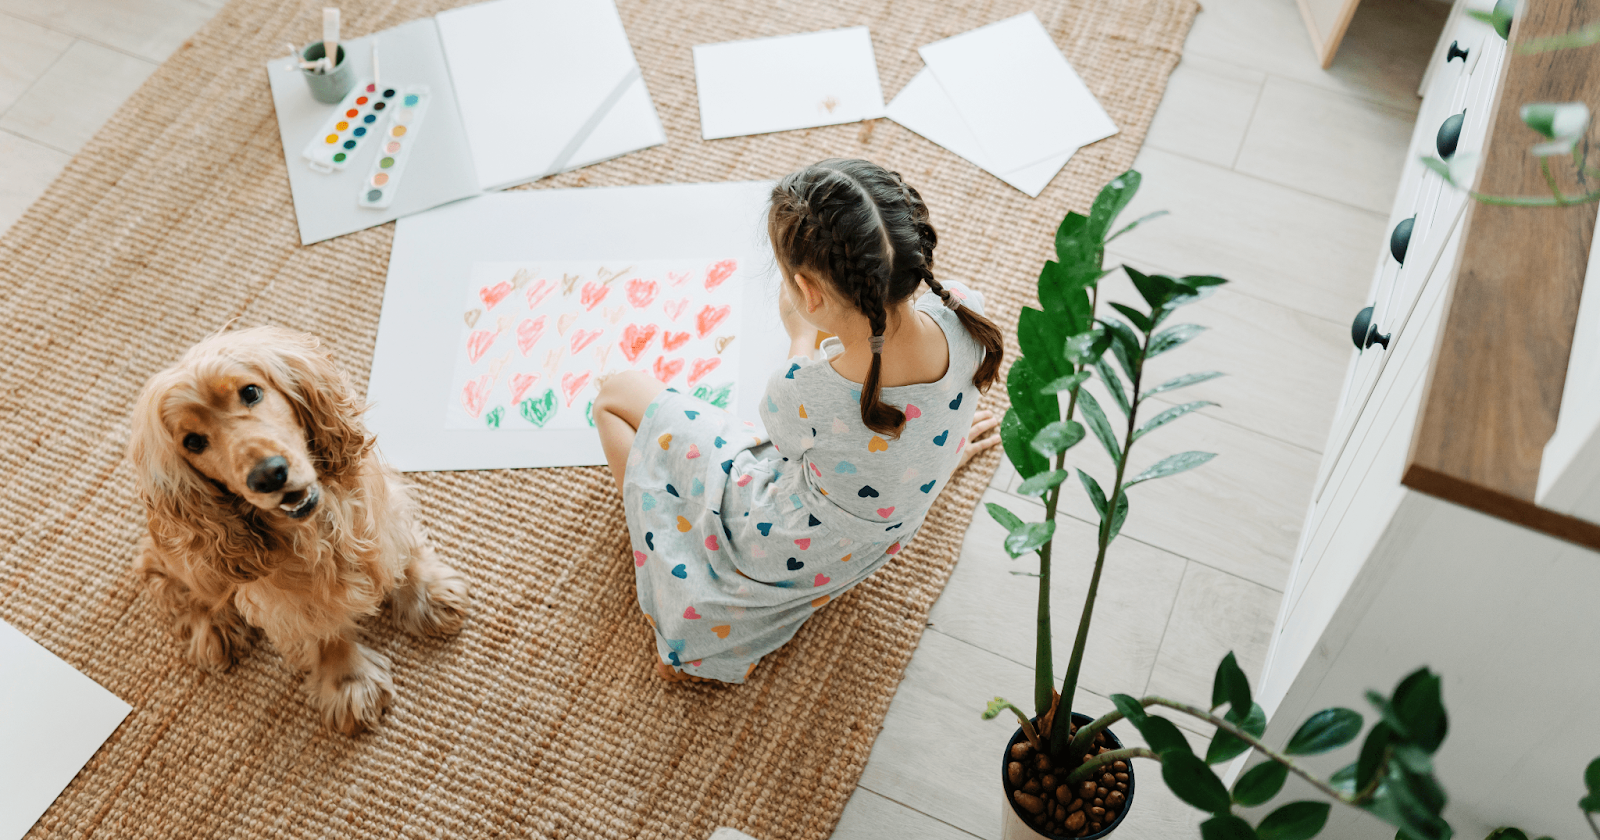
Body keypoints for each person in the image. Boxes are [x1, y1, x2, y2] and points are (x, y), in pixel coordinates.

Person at [593, 158, 1004, 683]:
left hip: (780, 537)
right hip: (869, 541)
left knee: (615, 394)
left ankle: (670, 562)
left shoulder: (803, 389)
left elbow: (780, 443)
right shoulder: (967, 315)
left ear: (807, 292)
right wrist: (937, 456)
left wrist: (801, 341)